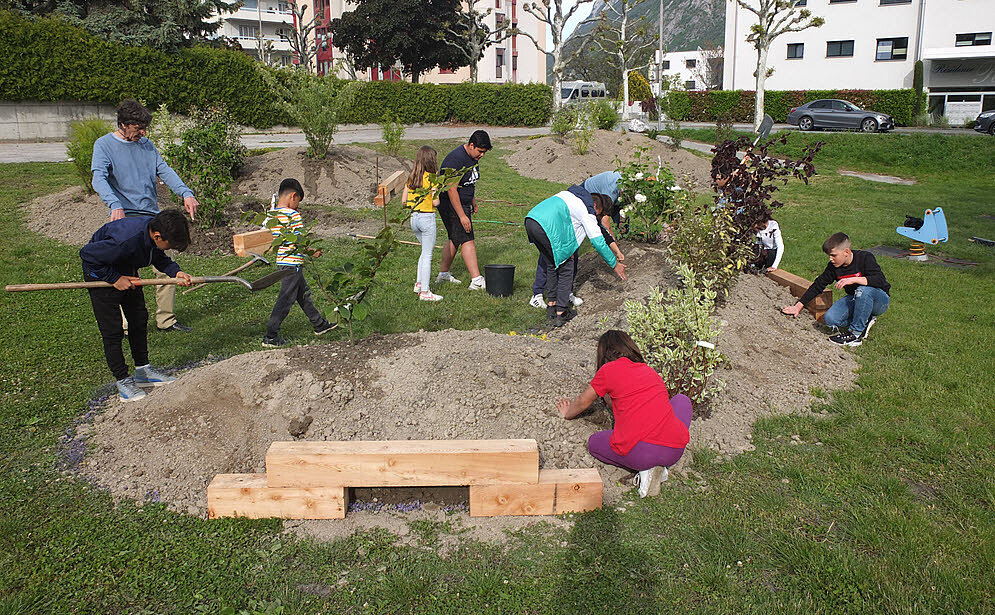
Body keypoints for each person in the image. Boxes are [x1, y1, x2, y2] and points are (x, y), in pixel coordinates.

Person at [91, 99, 200, 333]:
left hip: (152, 216)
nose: (143, 133)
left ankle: (166, 320)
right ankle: (125, 324)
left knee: (166, 269)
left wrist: (186, 193)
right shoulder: (104, 145)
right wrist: (114, 205)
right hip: (126, 218)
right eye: (138, 128)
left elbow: (164, 170)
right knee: (124, 272)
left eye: (145, 128)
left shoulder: (147, 145)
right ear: (123, 124)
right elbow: (98, 178)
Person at [555, 330, 692, 498]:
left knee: (594, 443)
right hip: (674, 451)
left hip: (642, 453)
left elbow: (583, 401)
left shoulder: (608, 370)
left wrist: (567, 413)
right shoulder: (649, 371)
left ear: (604, 352)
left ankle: (647, 470)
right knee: (681, 400)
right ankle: (660, 464)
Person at [80, 210, 194, 402]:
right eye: (170, 245)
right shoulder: (124, 241)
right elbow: (87, 255)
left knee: (139, 319)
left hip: (126, 268)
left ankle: (143, 370)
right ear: (157, 236)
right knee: (112, 330)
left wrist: (176, 272)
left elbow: (157, 256)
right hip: (100, 274)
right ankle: (123, 380)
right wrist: (114, 278)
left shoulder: (153, 232)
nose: (169, 249)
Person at [524, 185, 626, 327]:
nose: (597, 217)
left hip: (531, 219)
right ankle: (561, 313)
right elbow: (598, 242)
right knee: (567, 267)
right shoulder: (587, 211)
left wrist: (617, 251)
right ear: (595, 206)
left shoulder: (573, 196)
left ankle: (551, 307)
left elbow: (602, 232)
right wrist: (614, 264)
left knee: (552, 264)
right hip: (546, 227)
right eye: (598, 214)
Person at [261, 178, 336, 347]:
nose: (298, 206)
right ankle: (271, 335)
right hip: (292, 263)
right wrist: (312, 252)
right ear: (293, 196)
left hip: (282, 261)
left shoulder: (272, 215)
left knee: (303, 295)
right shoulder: (293, 215)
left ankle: (319, 324)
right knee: (285, 299)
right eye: (298, 201)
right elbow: (299, 241)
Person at [782, 232, 891, 347]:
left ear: (846, 252)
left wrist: (853, 279)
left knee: (863, 290)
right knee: (830, 319)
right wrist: (798, 306)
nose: (831, 259)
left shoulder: (865, 258)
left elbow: (879, 280)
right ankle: (865, 319)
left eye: (834, 255)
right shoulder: (833, 267)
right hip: (855, 298)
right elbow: (818, 285)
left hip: (879, 300)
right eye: (829, 256)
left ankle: (855, 334)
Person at [436, 130, 491, 291]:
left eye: (484, 152)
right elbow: (452, 189)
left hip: (463, 203)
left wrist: (472, 200)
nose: (482, 155)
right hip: (450, 204)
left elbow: (468, 182)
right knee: (467, 238)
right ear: (471, 145)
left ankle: (443, 274)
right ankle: (476, 280)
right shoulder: (455, 159)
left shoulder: (472, 157)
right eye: (480, 151)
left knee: (455, 238)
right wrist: (462, 216)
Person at [402, 146, 443, 302]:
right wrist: (438, 193)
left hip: (414, 218)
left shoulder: (412, 178)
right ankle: (425, 291)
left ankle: (418, 284)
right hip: (427, 218)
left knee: (424, 252)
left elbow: (404, 201)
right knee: (427, 255)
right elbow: (436, 202)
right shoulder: (432, 179)